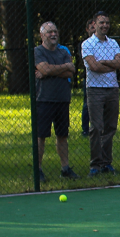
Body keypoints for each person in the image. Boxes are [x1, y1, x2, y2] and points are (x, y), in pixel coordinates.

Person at [33, 22, 80, 182]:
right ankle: (37, 170)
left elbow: (71, 71)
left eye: (55, 31)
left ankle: (65, 168)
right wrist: (62, 68)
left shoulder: (63, 51)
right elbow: (45, 69)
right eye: (49, 32)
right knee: (41, 136)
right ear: (42, 35)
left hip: (62, 99)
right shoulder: (37, 51)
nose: (53, 34)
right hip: (43, 99)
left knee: (62, 135)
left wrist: (49, 71)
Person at [81, 11, 120, 176]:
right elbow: (94, 67)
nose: (105, 25)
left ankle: (107, 163)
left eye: (107, 22)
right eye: (101, 23)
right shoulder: (87, 44)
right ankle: (95, 164)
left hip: (112, 89)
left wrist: (106, 62)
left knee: (110, 127)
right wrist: (111, 65)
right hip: (95, 90)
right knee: (96, 128)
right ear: (95, 24)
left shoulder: (113, 43)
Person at [80, 17, 95, 137]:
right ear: (87, 29)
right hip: (88, 78)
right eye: (92, 28)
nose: (94, 30)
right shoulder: (85, 44)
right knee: (87, 104)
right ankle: (85, 129)